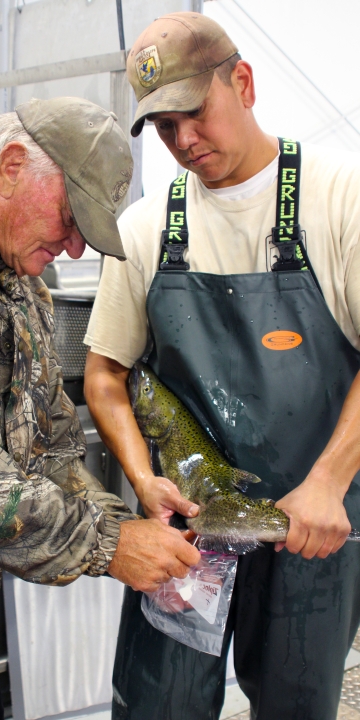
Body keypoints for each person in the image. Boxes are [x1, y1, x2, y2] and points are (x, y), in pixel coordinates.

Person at [0, 96, 199, 720]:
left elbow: (52, 447)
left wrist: (129, 522)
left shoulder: (21, 288)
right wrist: (110, 544)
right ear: (14, 166)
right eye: (70, 216)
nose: (76, 248)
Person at [84, 13, 360, 720]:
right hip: (191, 533)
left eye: (193, 114)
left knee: (295, 704)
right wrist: (145, 480)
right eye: (165, 128)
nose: (184, 142)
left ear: (242, 82)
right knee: (159, 707)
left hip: (308, 526)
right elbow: (105, 374)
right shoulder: (147, 227)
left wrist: (328, 483)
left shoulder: (339, 198)